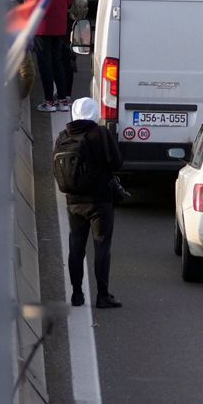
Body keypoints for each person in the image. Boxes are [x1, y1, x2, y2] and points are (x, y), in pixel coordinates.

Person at [54, 97, 123, 309]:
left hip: (73, 201)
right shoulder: (99, 133)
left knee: (76, 247)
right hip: (99, 202)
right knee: (101, 246)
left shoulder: (63, 136)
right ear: (94, 114)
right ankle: (103, 295)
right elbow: (117, 162)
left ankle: (76, 294)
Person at [28, 0, 74, 112]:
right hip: (60, 25)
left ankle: (49, 101)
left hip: (42, 25)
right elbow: (69, 0)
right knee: (58, 61)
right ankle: (62, 99)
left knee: (44, 63)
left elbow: (32, 0)